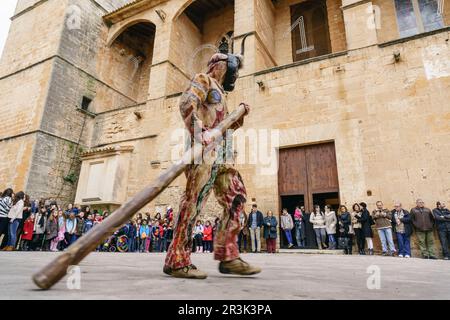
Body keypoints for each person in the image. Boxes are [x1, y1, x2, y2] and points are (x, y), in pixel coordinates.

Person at [163, 51, 259, 279]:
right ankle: (177, 260)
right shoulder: (203, 80)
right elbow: (187, 103)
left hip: (223, 157)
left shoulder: (222, 95)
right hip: (202, 151)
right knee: (193, 203)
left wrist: (238, 117)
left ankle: (228, 256)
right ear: (219, 65)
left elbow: (224, 126)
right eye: (231, 69)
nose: (232, 74)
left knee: (237, 198)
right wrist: (198, 132)